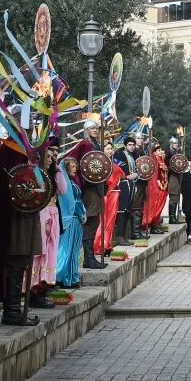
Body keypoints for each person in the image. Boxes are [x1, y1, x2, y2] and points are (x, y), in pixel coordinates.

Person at [0, 130, 41, 326]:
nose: (31, 132)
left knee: (21, 261)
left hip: (26, 213)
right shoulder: (13, 149)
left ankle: (14, 309)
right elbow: (16, 183)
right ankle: (12, 311)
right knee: (16, 261)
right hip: (15, 216)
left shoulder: (24, 150)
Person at [63, 119, 106, 269]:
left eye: (97, 128)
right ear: (86, 130)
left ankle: (90, 257)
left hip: (97, 188)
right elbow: (83, 165)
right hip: (90, 189)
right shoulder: (86, 144)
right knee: (90, 222)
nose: (95, 130)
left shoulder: (95, 144)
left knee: (94, 223)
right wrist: (84, 181)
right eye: (92, 128)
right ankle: (88, 258)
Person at [29, 137, 66, 308]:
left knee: (51, 251)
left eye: (52, 157)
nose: (50, 159)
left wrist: (58, 170)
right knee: (40, 252)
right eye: (48, 156)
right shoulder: (35, 174)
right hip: (41, 213)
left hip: (53, 212)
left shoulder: (52, 174)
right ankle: (35, 290)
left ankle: (45, 286)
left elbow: (63, 190)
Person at [56, 157, 86, 288]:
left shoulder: (72, 183)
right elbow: (72, 203)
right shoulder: (66, 184)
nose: (75, 168)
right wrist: (82, 213)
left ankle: (71, 276)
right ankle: (60, 276)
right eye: (72, 166)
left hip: (76, 221)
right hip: (70, 220)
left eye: (75, 166)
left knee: (74, 250)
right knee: (65, 249)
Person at [95, 142, 125, 255]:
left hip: (114, 195)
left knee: (111, 220)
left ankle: (107, 244)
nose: (110, 151)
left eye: (111, 149)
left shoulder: (115, 165)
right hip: (106, 195)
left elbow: (122, 176)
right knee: (103, 220)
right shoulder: (100, 165)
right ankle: (99, 245)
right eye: (107, 149)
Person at [112, 137, 143, 245]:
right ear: (125, 145)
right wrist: (127, 176)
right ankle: (119, 236)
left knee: (127, 210)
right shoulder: (120, 154)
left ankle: (124, 235)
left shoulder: (133, 155)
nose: (132, 147)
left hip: (131, 184)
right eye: (130, 144)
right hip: (123, 184)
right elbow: (117, 169)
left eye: (133, 145)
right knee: (122, 210)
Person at [142, 145, 169, 235]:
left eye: (161, 150)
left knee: (160, 207)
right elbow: (154, 174)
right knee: (155, 207)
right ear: (153, 151)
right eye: (158, 150)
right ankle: (152, 225)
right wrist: (156, 184)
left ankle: (156, 224)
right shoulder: (154, 160)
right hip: (157, 187)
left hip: (164, 187)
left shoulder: (162, 160)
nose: (160, 151)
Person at [166, 137, 184, 224]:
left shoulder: (177, 153)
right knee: (173, 196)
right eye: (174, 144)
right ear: (171, 144)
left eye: (177, 143)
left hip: (178, 175)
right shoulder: (169, 153)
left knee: (176, 197)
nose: (176, 145)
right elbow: (167, 165)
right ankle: (172, 218)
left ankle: (173, 217)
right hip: (172, 175)